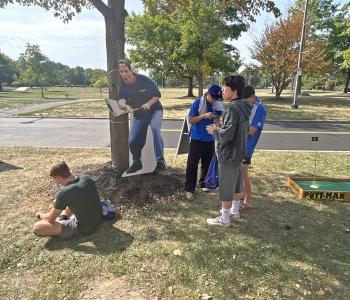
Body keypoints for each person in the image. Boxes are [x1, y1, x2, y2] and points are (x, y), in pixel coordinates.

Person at [206, 75, 251, 227]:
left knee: (226, 185)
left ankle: (224, 219)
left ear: (235, 90)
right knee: (237, 183)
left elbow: (228, 134)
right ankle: (235, 211)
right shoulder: (244, 106)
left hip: (229, 153)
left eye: (225, 87)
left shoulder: (233, 108)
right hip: (239, 152)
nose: (222, 90)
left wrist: (214, 130)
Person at [117, 59, 166, 174]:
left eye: (125, 71)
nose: (124, 74)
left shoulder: (144, 80)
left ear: (131, 70)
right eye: (121, 72)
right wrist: (125, 107)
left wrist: (148, 104)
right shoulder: (123, 87)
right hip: (139, 114)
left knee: (155, 128)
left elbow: (157, 95)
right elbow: (121, 101)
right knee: (132, 140)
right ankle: (137, 163)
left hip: (155, 110)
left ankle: (160, 161)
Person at [33, 161, 102, 239]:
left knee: (37, 227)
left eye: (55, 180)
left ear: (58, 177)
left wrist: (41, 216)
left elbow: (50, 220)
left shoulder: (65, 192)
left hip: (84, 228)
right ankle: (63, 218)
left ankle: (63, 221)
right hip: (97, 218)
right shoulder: (86, 178)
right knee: (72, 200)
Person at [184, 84, 224, 200]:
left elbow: (218, 122)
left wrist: (216, 125)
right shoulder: (198, 103)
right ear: (207, 94)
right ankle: (189, 189)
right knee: (192, 164)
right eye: (213, 98)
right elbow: (190, 119)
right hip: (197, 138)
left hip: (210, 139)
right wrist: (203, 116)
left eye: (217, 99)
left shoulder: (217, 105)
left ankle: (204, 183)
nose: (214, 101)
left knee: (207, 162)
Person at [241, 86, 266, 209]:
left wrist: (235, 128)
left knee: (243, 171)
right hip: (238, 143)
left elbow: (252, 130)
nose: (245, 103)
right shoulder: (244, 104)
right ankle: (241, 194)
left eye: (247, 100)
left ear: (253, 97)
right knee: (237, 171)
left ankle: (248, 199)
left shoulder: (259, 108)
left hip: (247, 146)